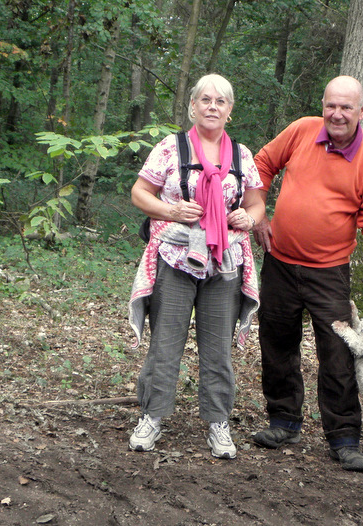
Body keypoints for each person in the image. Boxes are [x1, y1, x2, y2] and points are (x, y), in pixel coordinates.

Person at [251, 75, 363, 472]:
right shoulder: (300, 131)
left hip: (329, 272)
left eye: (347, 107)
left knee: (337, 355)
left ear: (362, 111)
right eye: (331, 105)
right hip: (278, 262)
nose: (337, 113)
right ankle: (283, 422)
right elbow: (262, 164)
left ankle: (344, 437)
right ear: (323, 104)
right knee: (277, 343)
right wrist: (258, 212)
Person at [127, 73, 264, 459]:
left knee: (218, 348)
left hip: (224, 263)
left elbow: (255, 204)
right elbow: (140, 193)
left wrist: (248, 220)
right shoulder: (170, 148)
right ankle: (152, 416)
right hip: (174, 257)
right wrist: (171, 209)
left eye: (221, 102)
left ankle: (218, 422)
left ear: (230, 111)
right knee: (166, 343)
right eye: (205, 100)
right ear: (192, 105)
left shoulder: (241, 155)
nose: (212, 107)